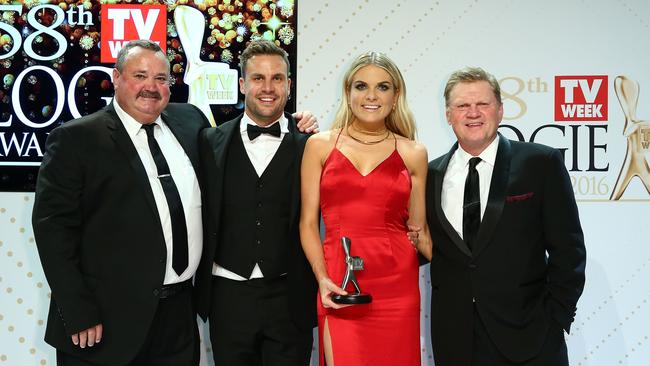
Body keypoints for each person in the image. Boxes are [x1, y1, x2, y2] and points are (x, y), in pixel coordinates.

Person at [32, 39, 316, 366]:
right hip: (106, 319)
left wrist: (298, 123)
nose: (150, 87)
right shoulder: (76, 138)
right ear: (116, 77)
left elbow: (249, 133)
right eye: (140, 76)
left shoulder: (191, 123)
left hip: (178, 316)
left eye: (160, 78)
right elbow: (53, 229)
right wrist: (76, 310)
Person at [423, 67, 586, 366]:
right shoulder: (430, 174)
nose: (473, 113)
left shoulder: (541, 163)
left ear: (500, 110)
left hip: (530, 337)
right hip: (455, 340)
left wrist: (556, 318)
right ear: (448, 115)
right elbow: (425, 248)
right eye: (462, 106)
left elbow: (569, 250)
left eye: (482, 104)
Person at [299, 51, 429, 366]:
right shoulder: (320, 145)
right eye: (361, 86)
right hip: (339, 283)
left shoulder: (413, 153)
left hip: (397, 288)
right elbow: (307, 224)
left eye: (382, 87)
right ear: (348, 92)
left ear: (396, 95)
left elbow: (419, 230)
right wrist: (322, 277)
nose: (371, 96)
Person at [194, 40, 317, 366]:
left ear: (289, 86)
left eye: (277, 78)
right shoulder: (208, 141)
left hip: (290, 296)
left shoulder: (312, 145)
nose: (268, 87)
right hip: (228, 296)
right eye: (258, 78)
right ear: (242, 84)